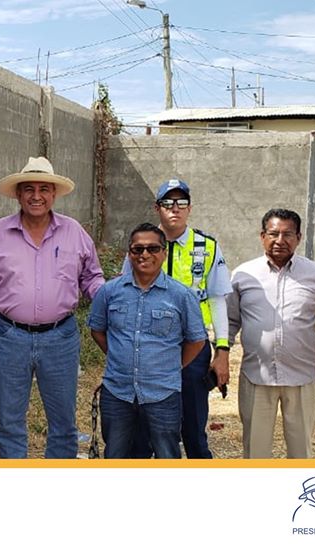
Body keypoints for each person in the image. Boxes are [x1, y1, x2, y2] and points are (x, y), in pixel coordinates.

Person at [0, 156, 104, 458]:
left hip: (60, 338)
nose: (36, 196)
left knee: (64, 423)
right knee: (9, 422)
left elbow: (91, 277)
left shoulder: (74, 232)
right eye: (29, 189)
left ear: (54, 194)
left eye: (44, 189)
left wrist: (108, 297)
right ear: (18, 194)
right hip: (9, 337)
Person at [122, 179, 231, 458]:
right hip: (149, 348)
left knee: (193, 428)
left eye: (182, 202)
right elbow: (125, 295)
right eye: (168, 202)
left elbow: (217, 299)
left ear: (190, 208)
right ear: (157, 207)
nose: (175, 208)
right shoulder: (142, 245)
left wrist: (222, 350)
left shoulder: (206, 246)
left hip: (193, 345)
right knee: (143, 429)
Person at [228, 208, 315, 459]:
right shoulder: (243, 275)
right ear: (262, 236)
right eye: (273, 233)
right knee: (255, 453)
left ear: (298, 238)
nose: (280, 240)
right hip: (257, 375)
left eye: (288, 234)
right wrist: (221, 354)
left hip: (302, 376)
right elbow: (230, 320)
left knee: (301, 453)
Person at [88, 223, 206, 459]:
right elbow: (97, 330)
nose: (144, 254)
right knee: (115, 456)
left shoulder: (181, 296)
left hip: (163, 393)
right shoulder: (109, 292)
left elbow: (196, 341)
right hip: (117, 392)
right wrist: (119, 357)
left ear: (163, 253)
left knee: (167, 456)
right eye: (137, 249)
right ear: (129, 253)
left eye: (152, 249)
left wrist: (172, 366)